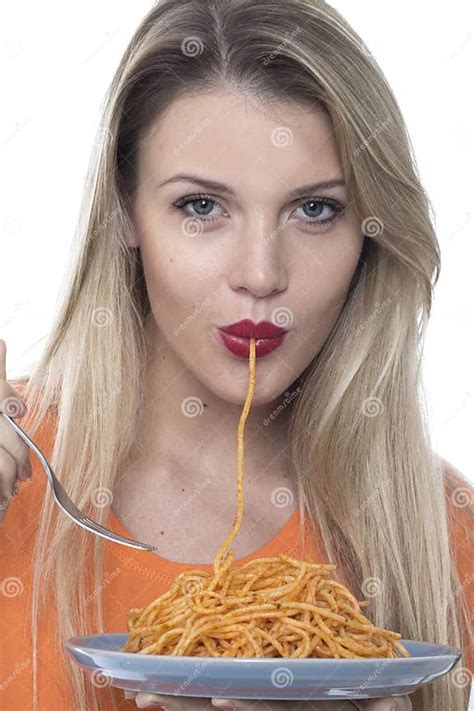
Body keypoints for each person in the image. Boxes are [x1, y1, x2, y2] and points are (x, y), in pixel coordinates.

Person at [1, 1, 473, 710]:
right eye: (201, 207)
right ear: (125, 210)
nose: (260, 273)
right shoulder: (15, 470)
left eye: (315, 210)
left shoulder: (436, 528)